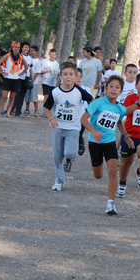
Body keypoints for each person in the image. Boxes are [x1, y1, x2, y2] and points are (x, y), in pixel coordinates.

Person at [80, 76, 128, 215]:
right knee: (98, 175)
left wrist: (125, 135)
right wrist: (93, 132)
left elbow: (119, 122)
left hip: (110, 142)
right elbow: (83, 118)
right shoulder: (98, 103)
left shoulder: (120, 108)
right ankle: (98, 169)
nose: (114, 89)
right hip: (95, 142)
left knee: (113, 171)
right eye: (111, 86)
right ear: (106, 89)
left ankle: (111, 203)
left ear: (120, 91)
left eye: (117, 87)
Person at [44, 62, 93, 191]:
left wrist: (86, 115)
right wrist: (51, 119)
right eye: (65, 74)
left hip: (73, 127)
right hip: (58, 127)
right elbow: (46, 108)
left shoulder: (79, 91)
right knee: (57, 156)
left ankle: (73, 154)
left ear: (75, 76)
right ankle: (59, 181)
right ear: (60, 76)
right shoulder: (55, 92)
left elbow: (91, 100)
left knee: (69, 153)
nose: (68, 77)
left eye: (71, 74)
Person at [0, 41, 26, 118]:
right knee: (4, 96)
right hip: (8, 78)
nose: (17, 48)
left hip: (16, 79)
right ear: (12, 48)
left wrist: (21, 74)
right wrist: (2, 72)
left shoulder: (21, 57)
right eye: (15, 47)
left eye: (18, 47)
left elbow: (26, 67)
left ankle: (8, 112)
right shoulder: (8, 56)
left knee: (12, 96)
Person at [11, 41, 31, 118]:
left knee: (22, 95)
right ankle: (11, 109)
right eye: (25, 47)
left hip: (26, 78)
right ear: (21, 48)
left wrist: (30, 78)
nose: (26, 49)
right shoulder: (19, 56)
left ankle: (18, 111)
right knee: (16, 94)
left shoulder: (29, 58)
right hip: (18, 77)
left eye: (28, 47)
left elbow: (30, 68)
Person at [24, 45, 42, 116]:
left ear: (36, 52)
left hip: (34, 81)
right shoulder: (28, 59)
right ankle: (27, 109)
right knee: (27, 95)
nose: (31, 52)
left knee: (34, 96)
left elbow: (37, 72)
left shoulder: (37, 61)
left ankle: (36, 110)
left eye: (32, 51)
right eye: (30, 51)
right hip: (27, 79)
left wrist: (32, 80)